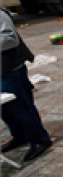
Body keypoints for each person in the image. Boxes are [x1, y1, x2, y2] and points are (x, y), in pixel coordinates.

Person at [0, 9, 52, 161]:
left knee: (21, 107)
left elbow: (10, 39)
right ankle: (20, 136)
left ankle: (40, 140)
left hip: (10, 70)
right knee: (5, 109)